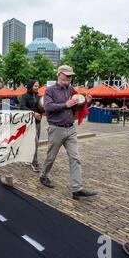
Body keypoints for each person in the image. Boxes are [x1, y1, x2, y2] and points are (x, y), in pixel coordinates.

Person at [39, 65, 97, 200]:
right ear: (59, 74)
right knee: (51, 157)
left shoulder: (71, 89)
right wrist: (66, 104)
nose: (69, 78)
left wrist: (85, 103)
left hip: (70, 129)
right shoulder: (50, 91)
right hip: (56, 129)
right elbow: (47, 108)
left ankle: (77, 189)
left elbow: (75, 106)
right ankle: (43, 176)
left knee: (75, 158)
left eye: (70, 76)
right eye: (66, 76)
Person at [20, 79, 42, 172]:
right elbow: (22, 107)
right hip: (29, 124)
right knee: (35, 143)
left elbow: (40, 107)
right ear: (30, 87)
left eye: (38, 86)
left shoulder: (38, 97)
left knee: (34, 143)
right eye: (35, 86)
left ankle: (29, 159)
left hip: (38, 123)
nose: (37, 87)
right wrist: (33, 113)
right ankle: (34, 162)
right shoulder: (24, 96)